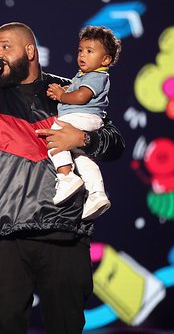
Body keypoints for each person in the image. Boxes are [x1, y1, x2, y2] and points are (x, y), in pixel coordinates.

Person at [0, 22, 124, 334]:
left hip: (62, 233)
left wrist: (83, 139)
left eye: (5, 47)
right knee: (4, 325)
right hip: (3, 236)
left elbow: (114, 142)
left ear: (30, 51)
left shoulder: (68, 91)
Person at [46, 25, 122, 220]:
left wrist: (63, 95)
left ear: (105, 59)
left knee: (55, 134)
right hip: (85, 119)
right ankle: (97, 194)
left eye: (90, 51)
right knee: (83, 158)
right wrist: (63, 90)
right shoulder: (84, 76)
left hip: (85, 119)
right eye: (81, 50)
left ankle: (66, 176)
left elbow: (80, 97)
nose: (82, 55)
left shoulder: (97, 76)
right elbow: (76, 90)